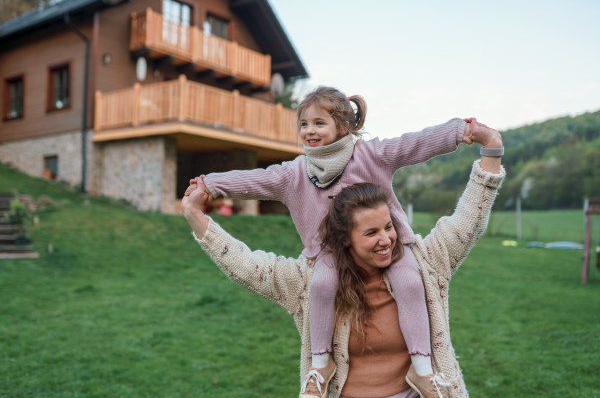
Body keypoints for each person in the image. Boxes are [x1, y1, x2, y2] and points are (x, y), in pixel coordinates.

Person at [186, 86, 493, 398]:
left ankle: (424, 370)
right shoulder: (295, 175)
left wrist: (461, 131)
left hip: (400, 254)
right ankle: (320, 366)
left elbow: (413, 144)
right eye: (303, 124)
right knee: (321, 284)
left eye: (319, 123)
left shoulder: (370, 156)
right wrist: (210, 184)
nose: (309, 131)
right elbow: (254, 181)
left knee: (410, 282)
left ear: (343, 126)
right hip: (327, 256)